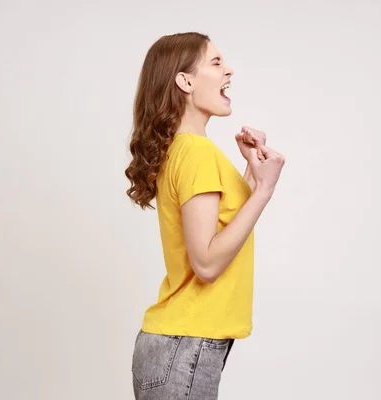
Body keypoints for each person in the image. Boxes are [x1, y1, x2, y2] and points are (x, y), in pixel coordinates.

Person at [124, 32, 285, 400]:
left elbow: (219, 227)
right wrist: (264, 190)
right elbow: (208, 263)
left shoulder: (183, 149)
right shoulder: (196, 152)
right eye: (215, 63)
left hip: (177, 346)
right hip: (184, 345)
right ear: (185, 81)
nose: (228, 70)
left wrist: (250, 173)